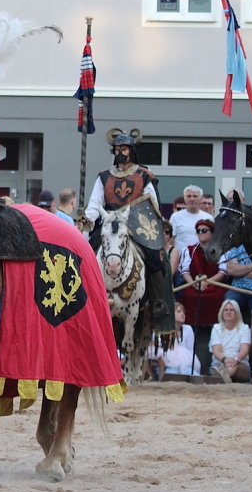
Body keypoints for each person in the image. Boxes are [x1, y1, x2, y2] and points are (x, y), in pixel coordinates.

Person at [82, 128, 172, 322]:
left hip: (136, 226)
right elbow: (94, 205)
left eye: (124, 149)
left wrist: (137, 220)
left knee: (155, 258)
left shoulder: (144, 175)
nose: (121, 153)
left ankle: (158, 302)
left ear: (132, 151)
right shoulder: (104, 176)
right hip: (109, 224)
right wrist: (85, 223)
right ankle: (84, 298)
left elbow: (152, 205)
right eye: (118, 149)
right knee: (87, 254)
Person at [222, 191, 252, 368]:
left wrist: (244, 270)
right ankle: (227, 352)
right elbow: (231, 269)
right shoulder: (235, 239)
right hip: (237, 288)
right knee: (227, 310)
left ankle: (248, 350)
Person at [177, 219, 227, 374]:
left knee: (215, 297)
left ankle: (211, 326)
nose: (200, 233)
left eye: (204, 230)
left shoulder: (220, 249)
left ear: (211, 233)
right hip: (194, 284)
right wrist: (194, 283)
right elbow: (185, 271)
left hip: (213, 284)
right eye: (198, 231)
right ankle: (192, 326)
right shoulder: (190, 250)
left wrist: (208, 282)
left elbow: (223, 271)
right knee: (189, 295)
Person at [209, 299, 251, 383]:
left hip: (239, 363)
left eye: (232, 310)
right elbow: (216, 350)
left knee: (235, 367)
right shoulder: (216, 328)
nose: (228, 312)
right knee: (218, 367)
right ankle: (224, 376)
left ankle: (223, 375)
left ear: (237, 313)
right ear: (222, 313)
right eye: (226, 310)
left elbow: (244, 350)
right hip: (221, 362)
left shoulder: (244, 328)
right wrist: (225, 360)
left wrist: (235, 360)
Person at [169, 185, 213, 255]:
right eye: (189, 196)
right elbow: (170, 240)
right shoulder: (175, 217)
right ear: (185, 198)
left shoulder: (208, 218)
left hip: (202, 257)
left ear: (200, 199)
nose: (192, 199)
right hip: (181, 258)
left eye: (195, 196)